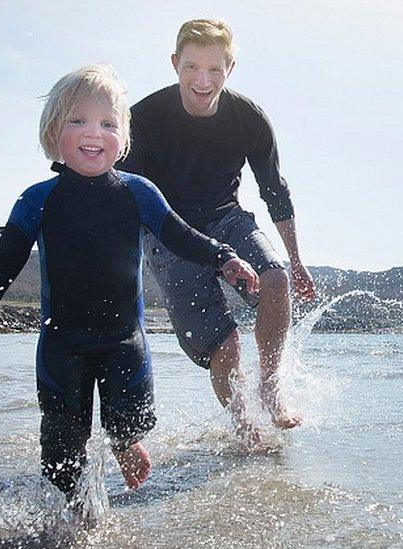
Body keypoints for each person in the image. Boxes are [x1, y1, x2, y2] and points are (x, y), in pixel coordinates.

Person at [0, 64, 259, 498]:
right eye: (78, 120)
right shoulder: (37, 201)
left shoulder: (138, 192)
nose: (94, 132)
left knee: (130, 423)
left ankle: (124, 442)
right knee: (61, 460)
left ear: (122, 138)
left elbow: (179, 235)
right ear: (53, 132)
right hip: (62, 346)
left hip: (125, 342)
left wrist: (224, 256)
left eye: (108, 123)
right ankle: (75, 521)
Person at [117, 18, 316, 433]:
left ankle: (272, 387)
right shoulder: (144, 120)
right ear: (175, 64)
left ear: (230, 69)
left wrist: (296, 260)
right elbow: (122, 195)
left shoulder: (249, 119)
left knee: (275, 279)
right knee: (226, 347)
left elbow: (274, 191)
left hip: (226, 218)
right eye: (192, 67)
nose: (203, 81)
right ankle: (245, 428)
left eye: (214, 69)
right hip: (168, 231)